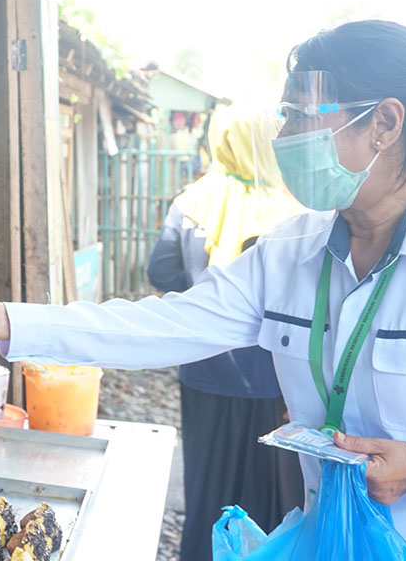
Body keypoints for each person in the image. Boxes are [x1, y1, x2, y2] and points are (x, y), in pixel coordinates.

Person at [0, 20, 406, 560]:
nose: (284, 138)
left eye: (303, 115)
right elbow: (162, 324)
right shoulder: (288, 253)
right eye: (284, 116)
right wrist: (5, 319)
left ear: (386, 124)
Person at [146, 111, 304, 561]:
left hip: (205, 368)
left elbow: (158, 270)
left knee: (208, 488)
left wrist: (200, 288)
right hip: (274, 376)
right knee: (273, 492)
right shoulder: (292, 209)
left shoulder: (192, 200)